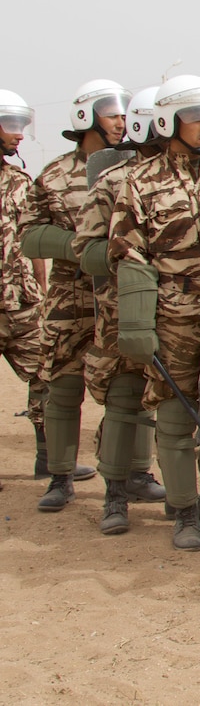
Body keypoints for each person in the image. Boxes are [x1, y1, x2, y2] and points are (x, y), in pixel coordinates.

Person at [108, 74, 200, 551]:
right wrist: (136, 325)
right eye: (195, 117)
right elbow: (125, 255)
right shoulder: (139, 181)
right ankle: (184, 512)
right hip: (173, 311)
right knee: (175, 416)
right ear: (169, 121)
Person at [19, 79, 129, 510]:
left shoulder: (133, 170)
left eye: (123, 113)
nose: (122, 122)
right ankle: (60, 477)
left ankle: (132, 475)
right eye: (112, 113)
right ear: (86, 118)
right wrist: (83, 248)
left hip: (121, 299)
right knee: (62, 388)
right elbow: (28, 238)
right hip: (70, 300)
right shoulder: (54, 175)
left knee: (128, 389)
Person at [72, 86, 167, 533]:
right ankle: (114, 495)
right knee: (124, 398)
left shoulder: (189, 179)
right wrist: (121, 254)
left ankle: (154, 482)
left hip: (179, 313)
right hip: (122, 312)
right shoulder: (113, 181)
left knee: (164, 402)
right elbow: (85, 250)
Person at [0, 90, 48, 491]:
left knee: (45, 375)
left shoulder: (20, 181)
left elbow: (30, 240)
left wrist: (42, 289)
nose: (19, 135)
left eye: (21, 126)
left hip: (22, 303)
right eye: (11, 125)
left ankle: (49, 461)